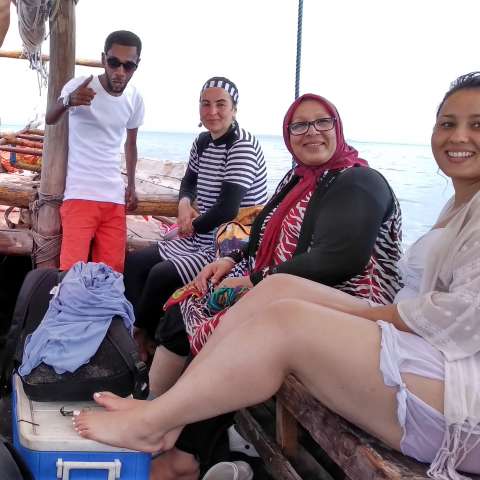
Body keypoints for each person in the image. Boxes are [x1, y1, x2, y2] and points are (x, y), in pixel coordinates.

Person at [74, 72, 480, 480]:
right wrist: (234, 262)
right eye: (299, 125)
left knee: (254, 313)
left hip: (376, 311)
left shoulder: (359, 181)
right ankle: (163, 416)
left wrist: (257, 280)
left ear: (337, 127)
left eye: (322, 122)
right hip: (365, 313)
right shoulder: (297, 180)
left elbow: (341, 260)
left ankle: (168, 433)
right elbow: (260, 232)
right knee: (246, 295)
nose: (312, 132)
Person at [123, 76, 268, 358]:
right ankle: (141, 332)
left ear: (234, 109)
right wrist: (184, 205)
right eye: (205, 104)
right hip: (199, 235)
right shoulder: (202, 142)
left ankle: (143, 336)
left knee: (161, 275)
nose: (212, 111)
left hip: (230, 246)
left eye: (220, 104)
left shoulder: (242, 146)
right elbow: (188, 182)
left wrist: (189, 226)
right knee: (135, 263)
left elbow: (227, 209)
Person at [45, 30, 144, 273]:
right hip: (80, 195)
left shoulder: (134, 98)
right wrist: (68, 100)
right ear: (103, 59)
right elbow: (50, 118)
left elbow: (130, 144)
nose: (120, 71)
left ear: (136, 65)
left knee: (111, 276)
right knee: (71, 274)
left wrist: (131, 185)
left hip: (114, 199)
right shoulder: (80, 86)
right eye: (114, 62)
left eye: (128, 65)